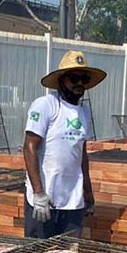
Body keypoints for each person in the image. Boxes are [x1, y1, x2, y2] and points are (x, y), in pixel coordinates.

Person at [23, 51, 106, 238]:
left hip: (72, 199)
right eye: (74, 78)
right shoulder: (46, 105)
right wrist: (38, 193)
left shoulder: (84, 112)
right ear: (62, 80)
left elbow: (81, 154)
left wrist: (87, 191)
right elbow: (29, 147)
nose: (79, 84)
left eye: (84, 79)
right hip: (45, 196)